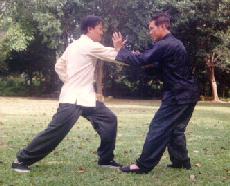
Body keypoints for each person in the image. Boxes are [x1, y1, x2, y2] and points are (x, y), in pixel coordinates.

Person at [12, 15, 122, 173]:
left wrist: (69, 80)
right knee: (55, 132)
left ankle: (106, 159)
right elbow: (112, 55)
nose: (102, 32)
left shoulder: (73, 45)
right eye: (99, 28)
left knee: (109, 119)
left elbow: (58, 65)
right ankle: (21, 160)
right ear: (90, 29)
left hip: (87, 97)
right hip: (73, 100)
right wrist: (118, 48)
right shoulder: (88, 45)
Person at [112, 13, 200, 174]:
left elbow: (142, 61)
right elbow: (156, 68)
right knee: (175, 130)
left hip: (178, 96)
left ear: (162, 26)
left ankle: (143, 165)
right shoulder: (174, 44)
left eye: (152, 28)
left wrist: (121, 50)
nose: (150, 32)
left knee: (158, 127)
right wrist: (140, 58)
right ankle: (181, 162)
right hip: (188, 94)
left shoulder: (165, 44)